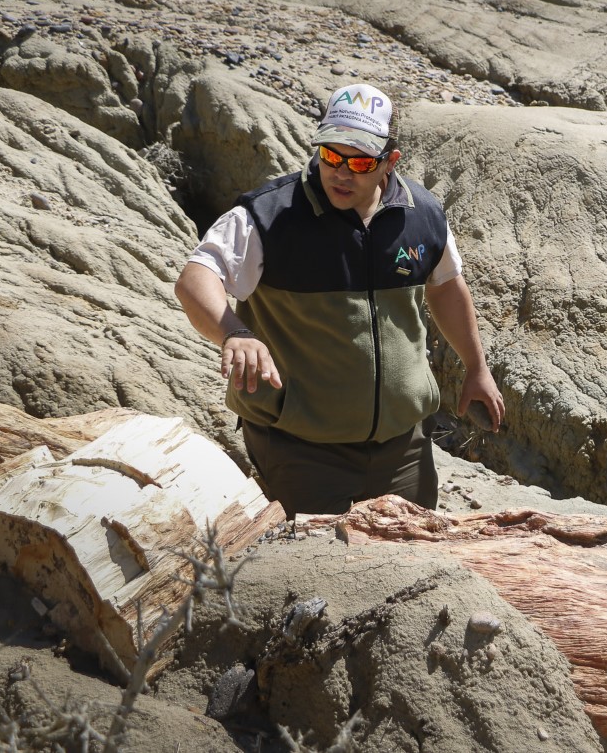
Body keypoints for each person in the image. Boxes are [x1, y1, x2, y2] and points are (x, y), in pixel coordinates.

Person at [175, 83, 504, 517]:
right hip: (301, 450)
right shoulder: (270, 216)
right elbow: (196, 277)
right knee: (310, 571)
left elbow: (445, 287)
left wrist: (476, 368)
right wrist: (234, 333)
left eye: (360, 161)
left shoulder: (422, 214)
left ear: (390, 161)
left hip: (404, 449)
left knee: (410, 562)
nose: (341, 172)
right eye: (331, 155)